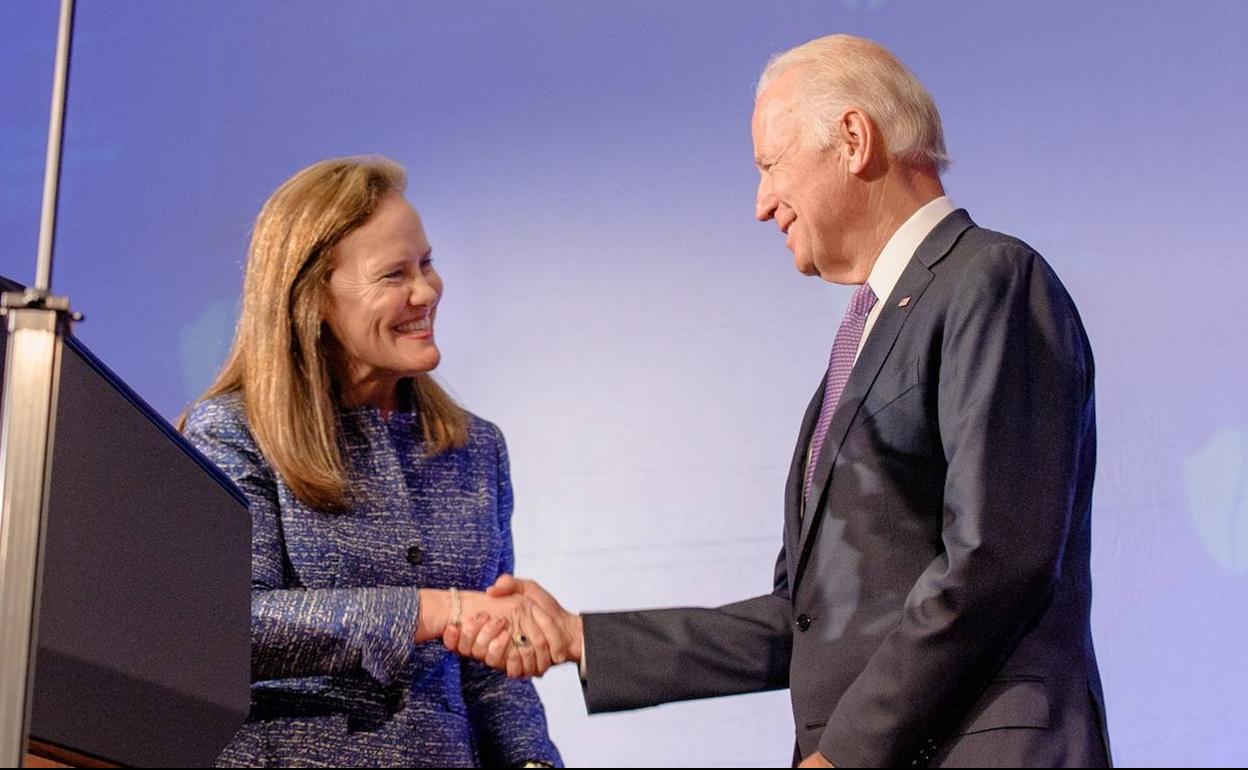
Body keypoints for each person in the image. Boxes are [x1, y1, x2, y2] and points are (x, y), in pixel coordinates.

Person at [448, 35, 1112, 768]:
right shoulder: (870, 332)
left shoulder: (990, 279)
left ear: (854, 140)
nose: (763, 204)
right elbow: (804, 621)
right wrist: (580, 635)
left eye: (770, 165)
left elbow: (996, 560)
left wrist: (849, 753)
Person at [181, 156, 564, 768]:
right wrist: (434, 609)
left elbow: (490, 666)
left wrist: (532, 761)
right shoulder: (232, 434)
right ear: (312, 301)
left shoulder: (476, 449)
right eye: (394, 275)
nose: (427, 291)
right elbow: (227, 622)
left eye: (427, 263)